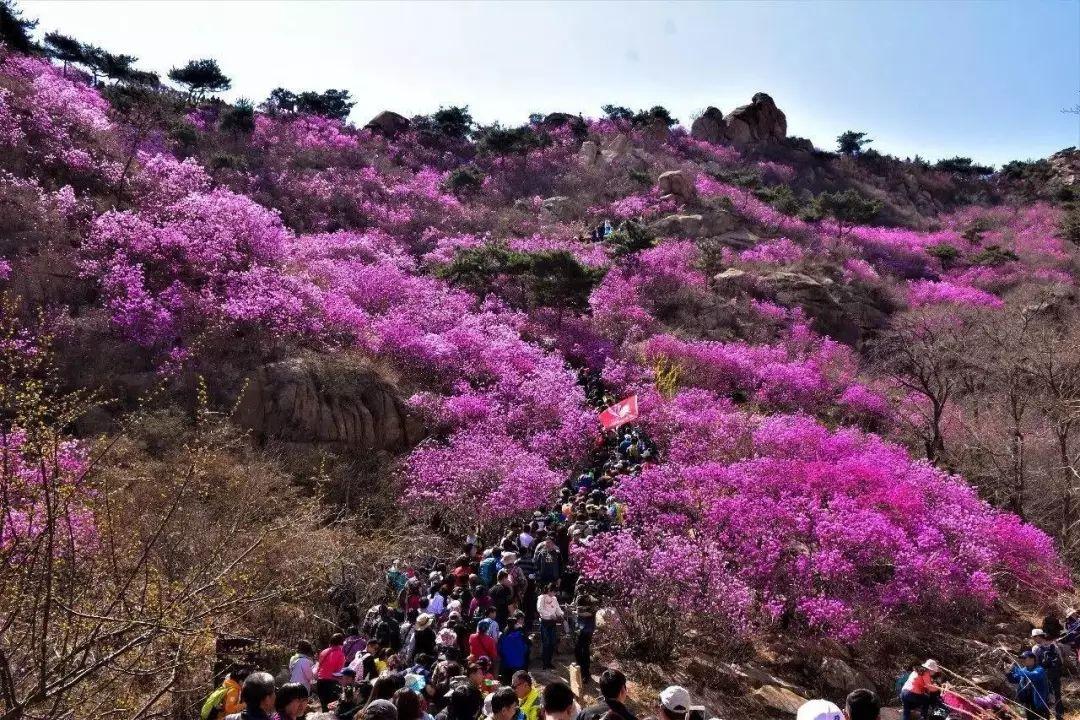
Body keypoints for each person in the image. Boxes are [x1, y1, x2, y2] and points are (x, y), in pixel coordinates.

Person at [1007, 652, 1051, 720]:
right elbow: (1014, 680)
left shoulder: (1040, 670)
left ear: (1032, 659)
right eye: (1021, 658)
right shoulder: (1024, 670)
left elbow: (1033, 675)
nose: (1022, 660)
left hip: (1039, 702)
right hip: (1027, 701)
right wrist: (1008, 673)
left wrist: (1015, 669)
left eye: (1024, 658)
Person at [1032, 629, 1064, 720]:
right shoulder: (1054, 645)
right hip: (1055, 673)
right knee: (1057, 693)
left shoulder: (1036, 648)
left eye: (1034, 637)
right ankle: (1059, 714)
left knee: (1045, 695)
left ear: (1038, 636)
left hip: (1043, 674)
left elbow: (1034, 663)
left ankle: (1046, 715)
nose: (1033, 639)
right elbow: (1061, 660)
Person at [572, 589, 597, 683]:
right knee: (578, 650)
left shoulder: (592, 602)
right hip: (580, 630)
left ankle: (585, 673)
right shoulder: (580, 598)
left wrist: (577, 613)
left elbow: (588, 613)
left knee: (584, 651)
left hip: (587, 631)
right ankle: (582, 669)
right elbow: (577, 609)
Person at [317, 634, 348, 711]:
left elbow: (320, 665)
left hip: (320, 681)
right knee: (331, 708)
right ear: (341, 643)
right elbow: (337, 672)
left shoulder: (324, 651)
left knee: (324, 707)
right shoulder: (340, 654)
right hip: (331, 683)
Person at [536, 584, 564, 670]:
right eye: (553, 591)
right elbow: (539, 609)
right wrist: (549, 615)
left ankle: (549, 662)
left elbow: (558, 609)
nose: (554, 593)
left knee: (552, 643)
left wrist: (561, 614)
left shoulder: (554, 599)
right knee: (546, 643)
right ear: (549, 590)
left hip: (552, 622)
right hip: (545, 622)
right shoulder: (542, 597)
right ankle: (545, 663)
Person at [497, 618, 530, 685]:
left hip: (506, 664)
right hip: (519, 665)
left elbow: (500, 649)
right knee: (517, 685)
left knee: (507, 684)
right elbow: (525, 649)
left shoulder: (503, 636)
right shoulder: (520, 635)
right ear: (515, 625)